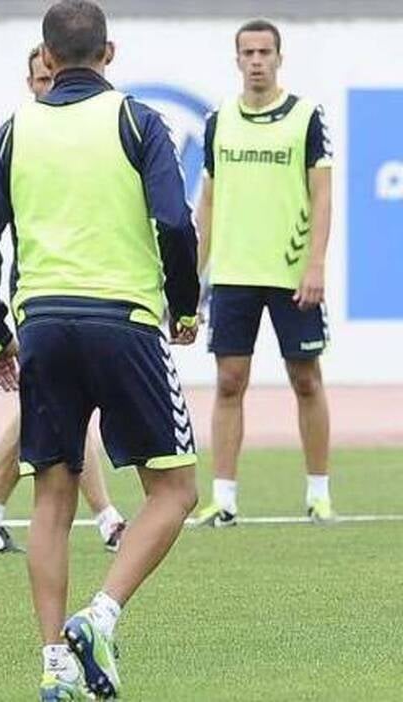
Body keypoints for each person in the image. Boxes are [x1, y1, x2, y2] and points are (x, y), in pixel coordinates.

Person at [0, 2, 200, 697]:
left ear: (47, 55)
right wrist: (185, 305)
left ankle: (54, 664)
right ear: (110, 52)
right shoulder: (137, 121)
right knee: (175, 490)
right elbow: (174, 223)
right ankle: (99, 616)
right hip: (122, 320)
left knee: (51, 501)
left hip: (40, 324)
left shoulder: (14, 130)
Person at [0, 45, 127, 555]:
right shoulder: (22, 137)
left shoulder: (93, 136)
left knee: (51, 401)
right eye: (39, 80)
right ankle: (105, 517)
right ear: (30, 83)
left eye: (52, 77)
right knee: (62, 400)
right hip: (37, 294)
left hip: (79, 290)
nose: (48, 87)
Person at [194, 18, 334, 528]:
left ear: (279, 58)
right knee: (229, 382)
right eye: (248, 53)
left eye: (265, 52)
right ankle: (224, 498)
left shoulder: (306, 118)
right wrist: (193, 275)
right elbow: (206, 203)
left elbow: (322, 197)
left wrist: (315, 262)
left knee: (306, 380)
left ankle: (319, 493)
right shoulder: (218, 121)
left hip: (293, 273)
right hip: (233, 273)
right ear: (237, 60)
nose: (257, 61)